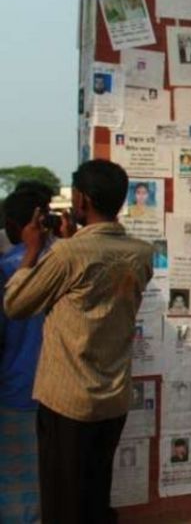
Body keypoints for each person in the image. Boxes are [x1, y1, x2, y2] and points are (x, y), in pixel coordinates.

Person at [3, 160, 153, 522]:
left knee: (62, 501)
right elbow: (93, 289)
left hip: (67, 400)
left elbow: (15, 304)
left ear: (81, 200)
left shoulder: (67, 255)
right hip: (112, 398)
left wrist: (30, 250)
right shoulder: (142, 253)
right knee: (95, 492)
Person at [0, 185, 54, 523]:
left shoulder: (7, 266)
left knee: (15, 486)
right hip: (59, 392)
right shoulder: (67, 259)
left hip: (16, 390)